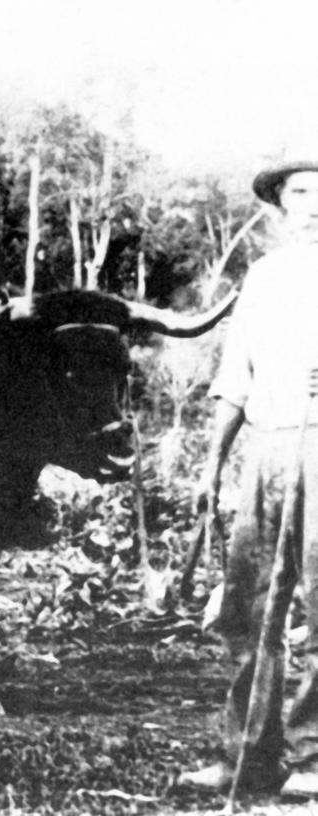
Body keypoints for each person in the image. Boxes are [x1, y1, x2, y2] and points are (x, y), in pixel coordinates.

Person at [179, 159, 318, 799]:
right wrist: (211, 467)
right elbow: (235, 379)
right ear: (281, 205)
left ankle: (311, 755)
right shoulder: (263, 277)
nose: (315, 203)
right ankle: (247, 754)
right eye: (302, 192)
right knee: (248, 606)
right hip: (267, 448)